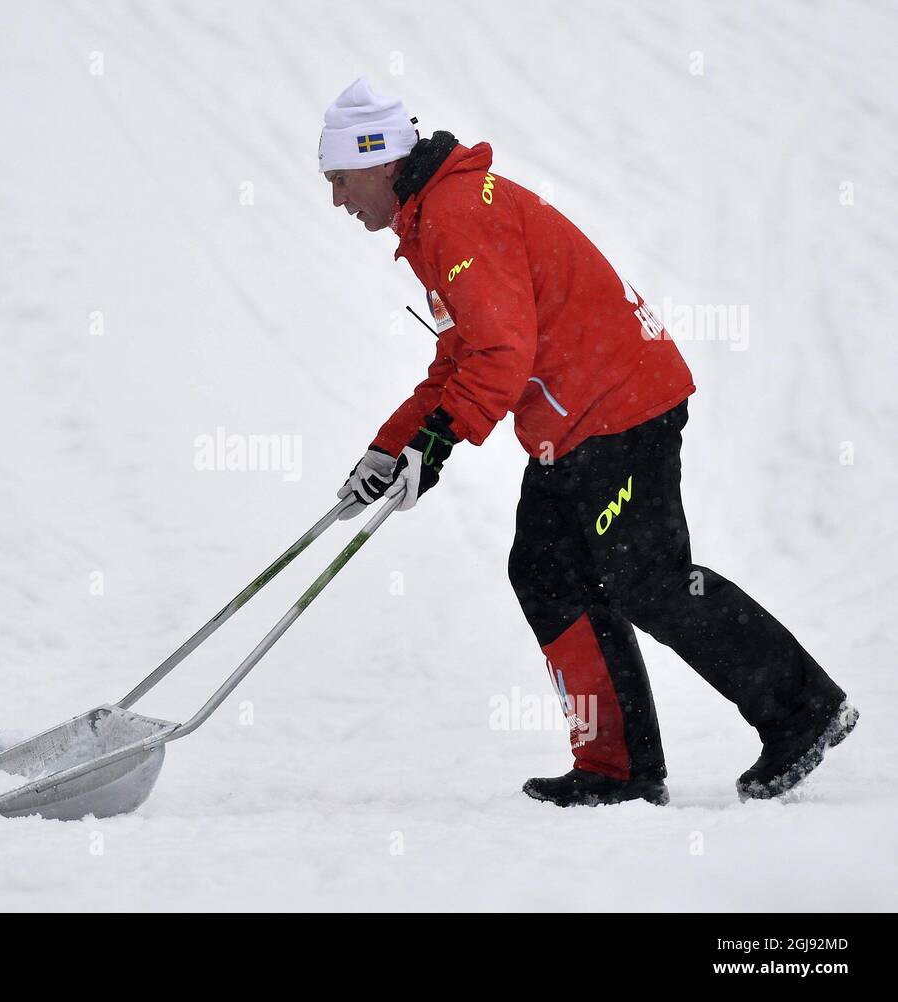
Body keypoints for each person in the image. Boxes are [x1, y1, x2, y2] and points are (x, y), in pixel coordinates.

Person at [321, 77, 857, 806]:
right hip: (571, 423)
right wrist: (391, 449)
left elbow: (501, 356)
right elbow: (461, 356)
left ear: (380, 162)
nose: (337, 200)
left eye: (342, 180)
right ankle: (617, 767)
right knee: (545, 573)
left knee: (649, 576)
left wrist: (439, 444)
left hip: (620, 406)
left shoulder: (454, 215)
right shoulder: (434, 218)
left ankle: (804, 709)